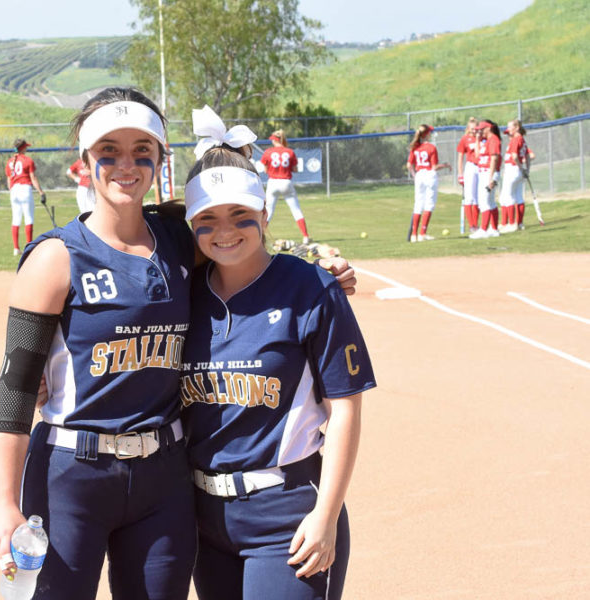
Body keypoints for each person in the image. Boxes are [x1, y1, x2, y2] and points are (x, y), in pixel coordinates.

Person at [0, 88, 358, 600]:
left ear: (161, 159)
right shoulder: (55, 258)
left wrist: (316, 259)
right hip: (71, 477)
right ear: (84, 160)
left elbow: (237, 242)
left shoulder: (180, 240)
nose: (126, 164)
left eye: (143, 150)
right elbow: (16, 388)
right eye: (108, 151)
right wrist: (3, 500)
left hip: (163, 478)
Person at [180, 108, 375, 600]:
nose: (225, 231)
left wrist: (326, 514)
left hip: (287, 515)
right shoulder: (183, 296)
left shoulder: (310, 288)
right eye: (208, 219)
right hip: (203, 518)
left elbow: (346, 407)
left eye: (241, 216)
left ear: (265, 214)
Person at [260, 129, 310, 244]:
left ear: (275, 140)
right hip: (286, 181)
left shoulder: (268, 152)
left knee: (269, 211)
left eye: (272, 140)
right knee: (296, 210)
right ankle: (305, 236)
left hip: (273, 182)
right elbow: (295, 169)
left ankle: (260, 236)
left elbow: (265, 169)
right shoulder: (290, 152)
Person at [406, 124, 450, 242]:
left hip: (419, 175)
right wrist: (445, 165)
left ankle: (414, 235)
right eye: (430, 132)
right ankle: (422, 233)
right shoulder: (431, 147)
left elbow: (409, 165)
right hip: (429, 175)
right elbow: (434, 166)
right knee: (429, 204)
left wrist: (414, 175)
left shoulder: (415, 147)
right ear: (427, 134)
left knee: (418, 204)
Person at [6, 138, 44, 256]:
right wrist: (41, 192)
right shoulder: (27, 160)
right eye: (26, 147)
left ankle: (16, 248)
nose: (27, 148)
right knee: (28, 218)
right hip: (25, 188)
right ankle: (29, 246)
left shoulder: (10, 161)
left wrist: (11, 190)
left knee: (16, 218)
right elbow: (33, 178)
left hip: (14, 190)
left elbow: (9, 179)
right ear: (22, 148)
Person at [469, 120, 502, 239]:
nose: (480, 131)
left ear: (489, 128)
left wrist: (491, 178)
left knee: (484, 202)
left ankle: (483, 230)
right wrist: (477, 139)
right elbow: (477, 156)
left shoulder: (493, 139)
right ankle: (493, 229)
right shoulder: (487, 140)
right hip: (484, 172)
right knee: (490, 202)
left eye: (482, 129)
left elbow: (494, 159)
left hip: (488, 172)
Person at [499, 119, 531, 233]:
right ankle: (519, 223)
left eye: (510, 127)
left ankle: (511, 223)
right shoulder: (521, 139)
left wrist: (522, 168)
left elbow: (514, 156)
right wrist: (526, 169)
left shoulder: (516, 139)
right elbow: (527, 156)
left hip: (513, 169)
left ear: (517, 128)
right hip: (517, 170)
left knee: (507, 197)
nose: (508, 131)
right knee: (518, 196)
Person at [456, 117, 480, 234]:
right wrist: (460, 174)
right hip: (470, 167)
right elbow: (460, 157)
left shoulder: (481, 139)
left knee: (477, 198)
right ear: (468, 129)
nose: (474, 131)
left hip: (480, 167)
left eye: (475, 128)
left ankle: (476, 224)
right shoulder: (465, 139)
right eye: (471, 129)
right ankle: (472, 225)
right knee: (469, 197)